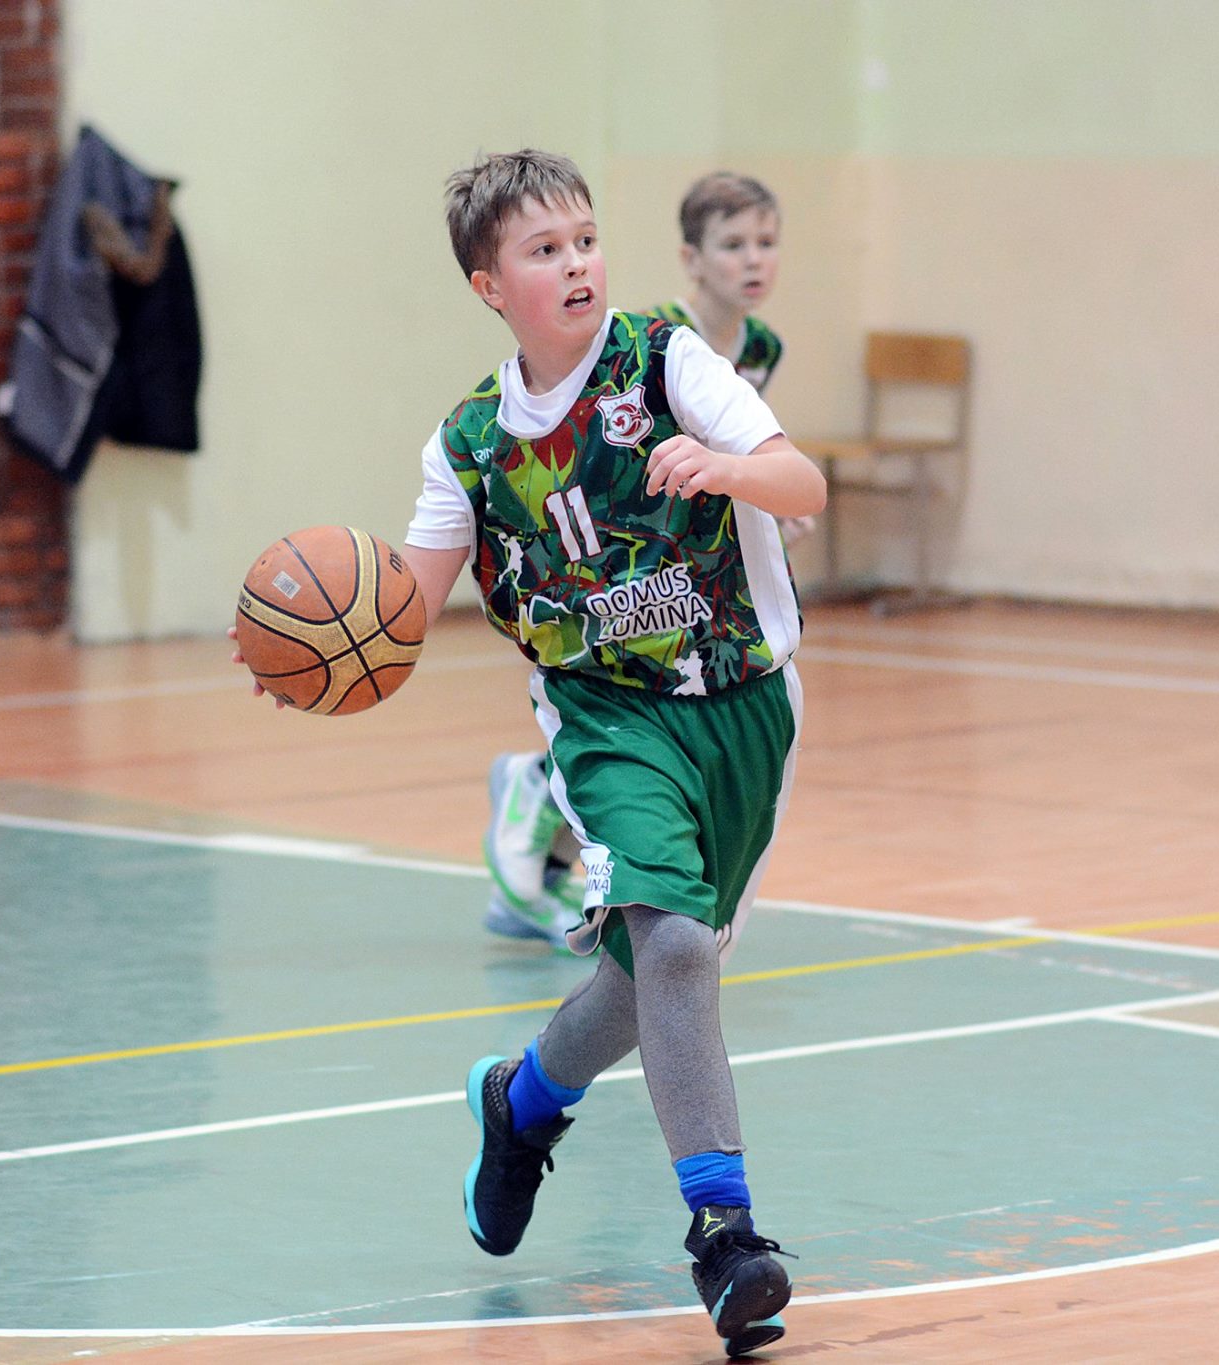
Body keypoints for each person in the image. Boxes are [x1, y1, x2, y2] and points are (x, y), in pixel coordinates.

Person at [402, 150, 824, 1357]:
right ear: (490, 285)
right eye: (544, 250)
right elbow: (403, 612)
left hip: (744, 704)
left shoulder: (665, 359)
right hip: (603, 723)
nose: (576, 262)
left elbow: (800, 483)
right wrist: (322, 655)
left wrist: (727, 466)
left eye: (584, 239)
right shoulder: (469, 446)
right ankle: (724, 1239)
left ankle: (522, 1103)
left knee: (653, 980)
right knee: (675, 947)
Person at [482, 171, 796, 947]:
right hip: (613, 560)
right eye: (733, 245)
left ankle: (557, 872)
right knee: (626, 720)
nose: (753, 259)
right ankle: (536, 784)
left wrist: (756, 498)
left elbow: (744, 446)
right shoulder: (653, 337)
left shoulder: (760, 347)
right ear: (692, 258)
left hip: (694, 582)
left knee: (661, 754)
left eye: (765, 243)